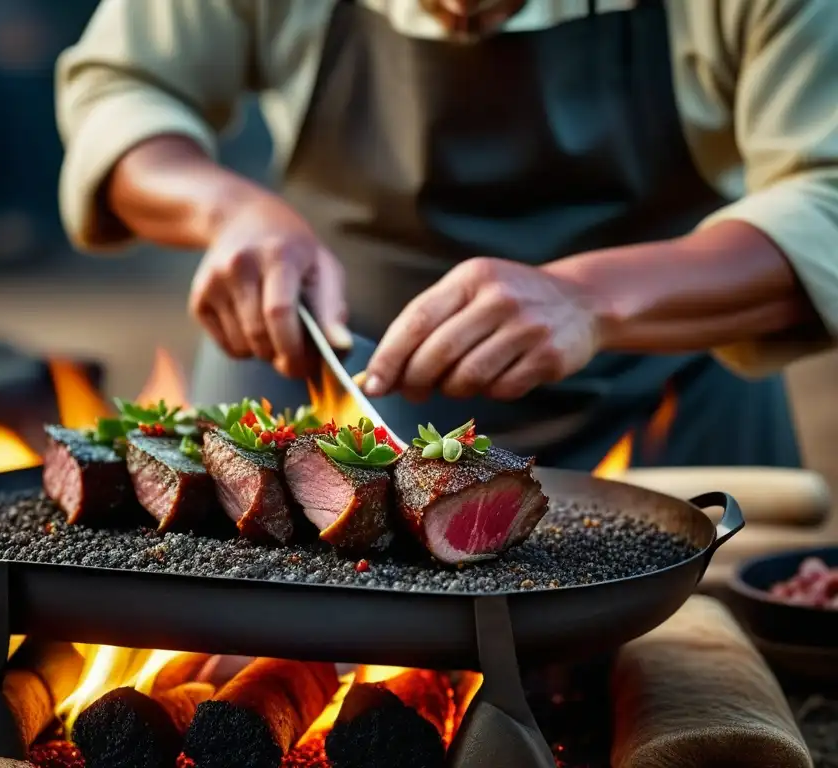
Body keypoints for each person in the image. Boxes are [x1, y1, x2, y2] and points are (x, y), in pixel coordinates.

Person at [55, 0, 838, 470]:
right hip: (325, 389)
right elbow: (123, 88)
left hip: (667, 395)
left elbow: (828, 191)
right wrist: (226, 211)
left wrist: (591, 299)